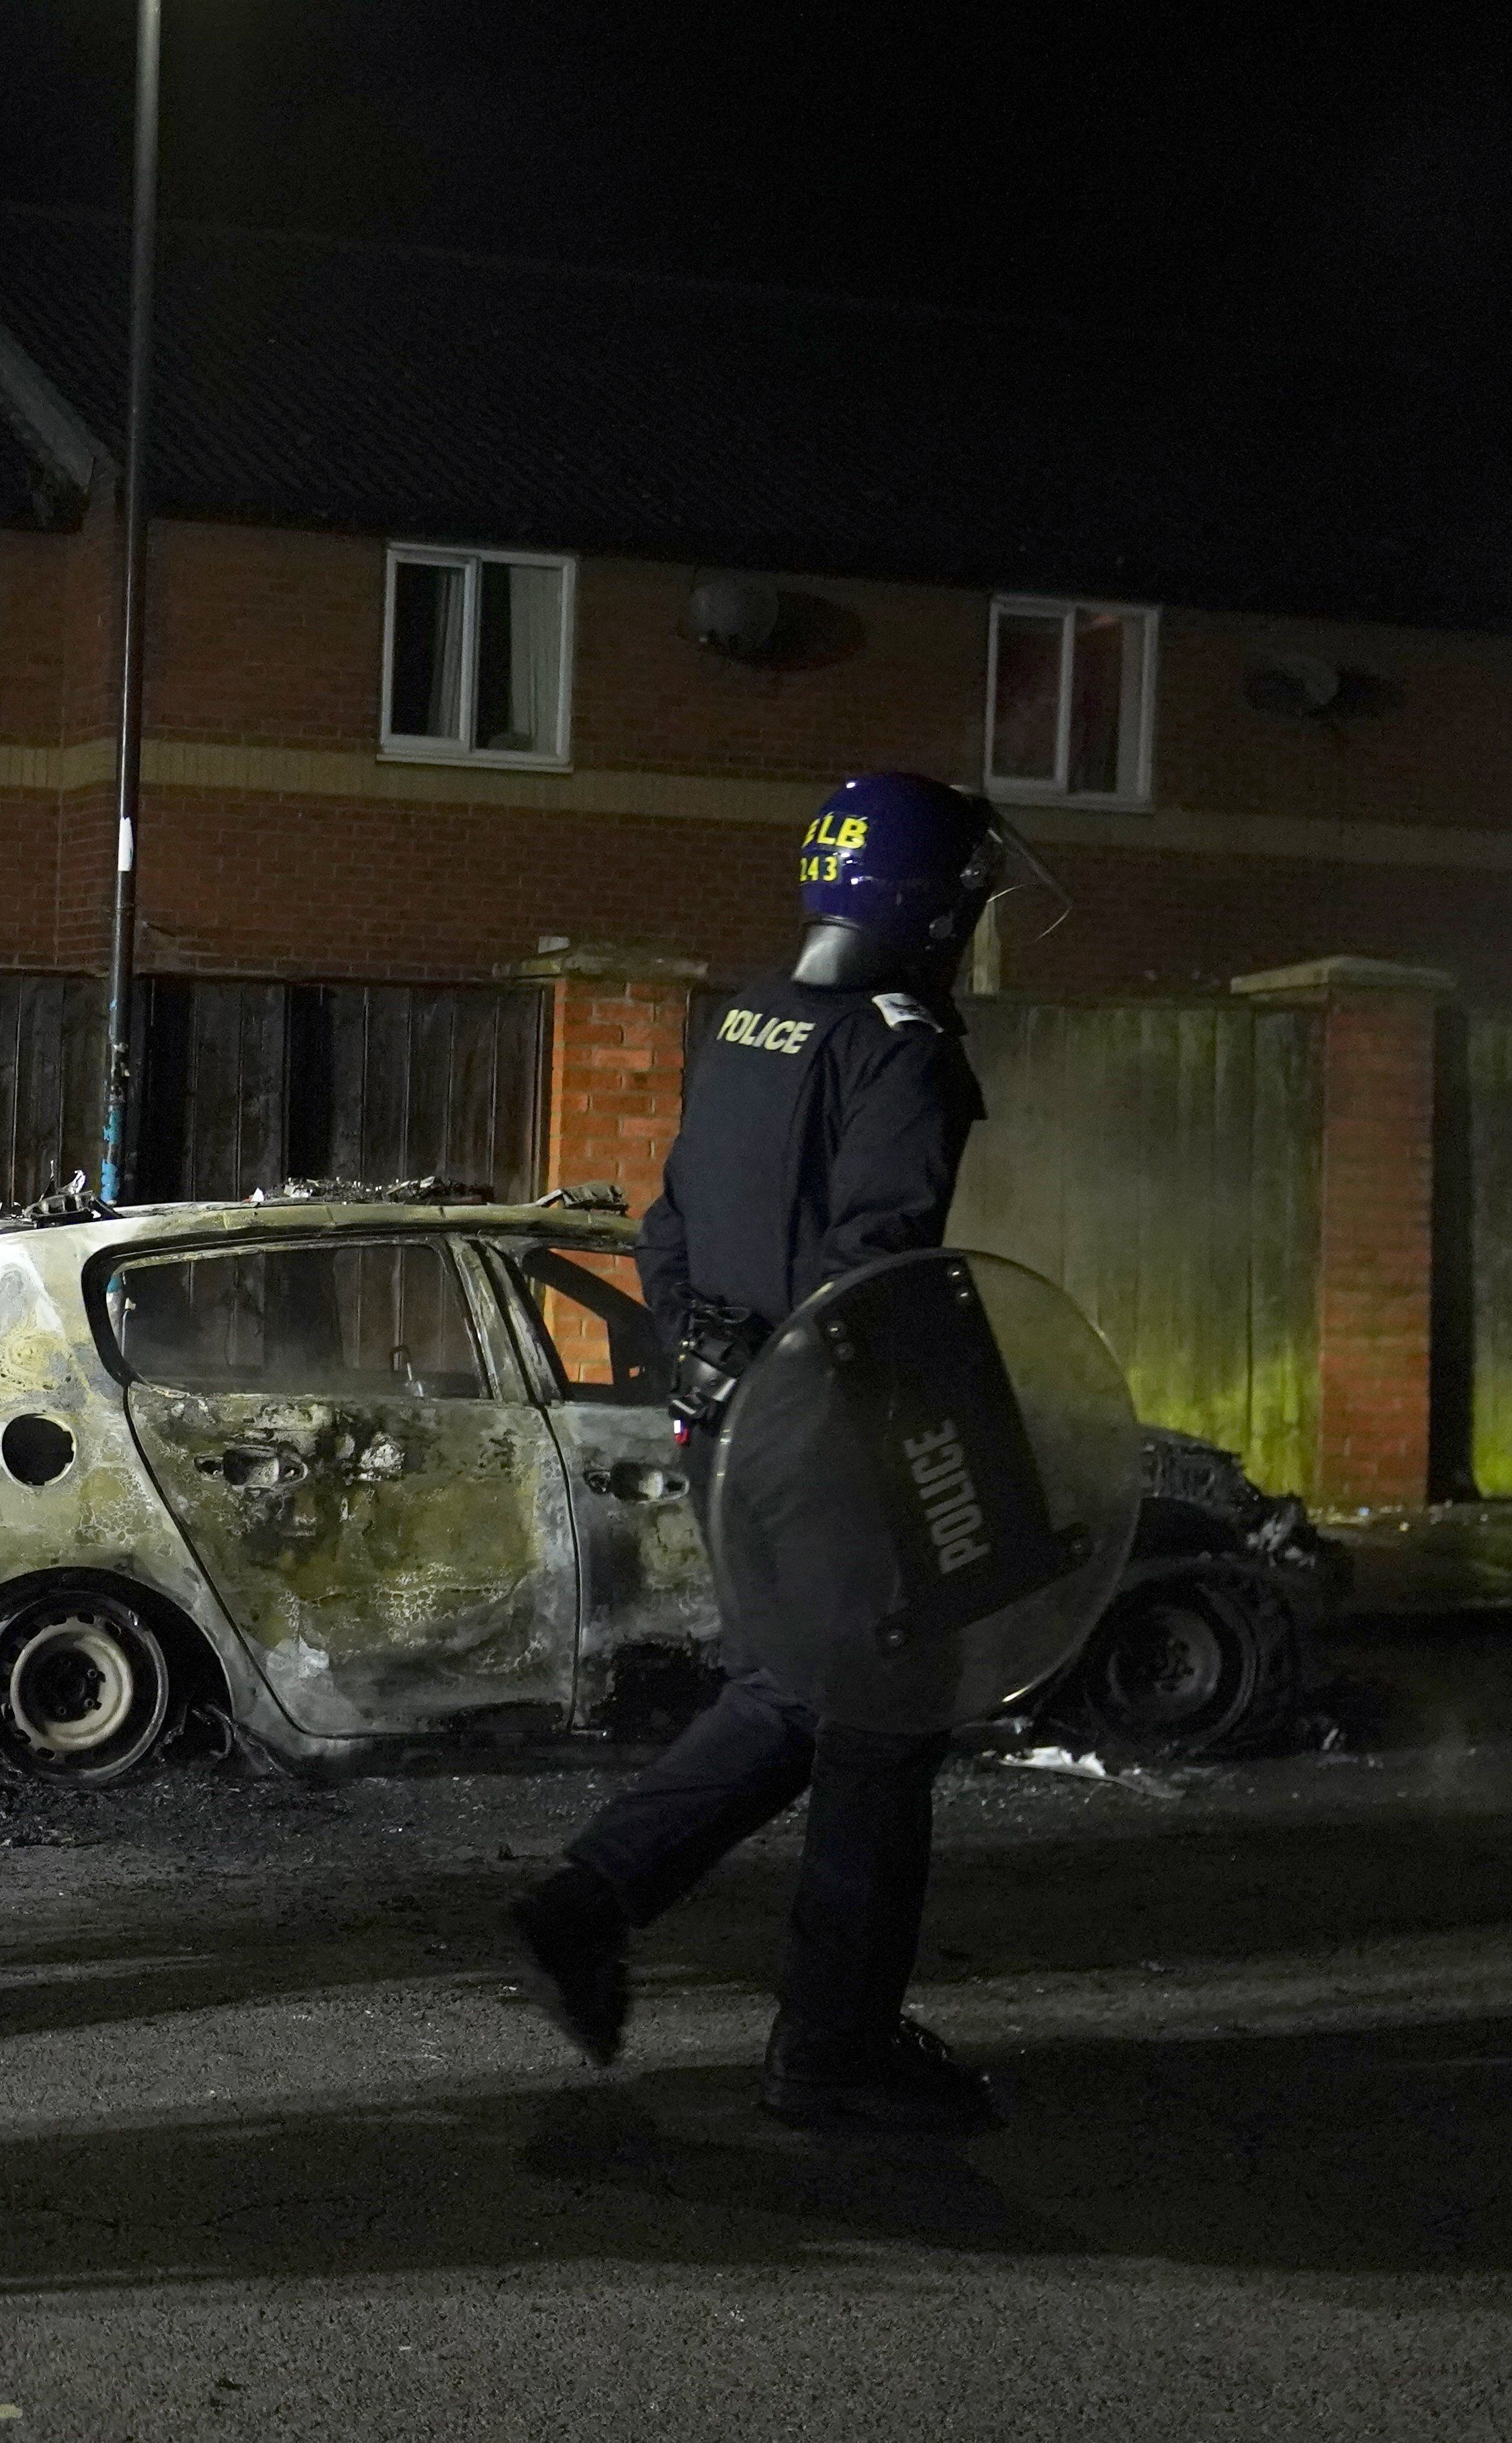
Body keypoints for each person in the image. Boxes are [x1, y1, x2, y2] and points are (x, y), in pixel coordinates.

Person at [510, 771, 1008, 2136]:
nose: (969, 926)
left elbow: (669, 1227)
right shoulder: (898, 1043)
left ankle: (587, 1900)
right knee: (882, 1725)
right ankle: (831, 2050)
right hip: (838, 1431)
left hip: (730, 1427)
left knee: (792, 1689)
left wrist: (703, 1350)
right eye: (965, 902)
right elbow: (881, 1258)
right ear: (921, 907)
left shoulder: (745, 1019)